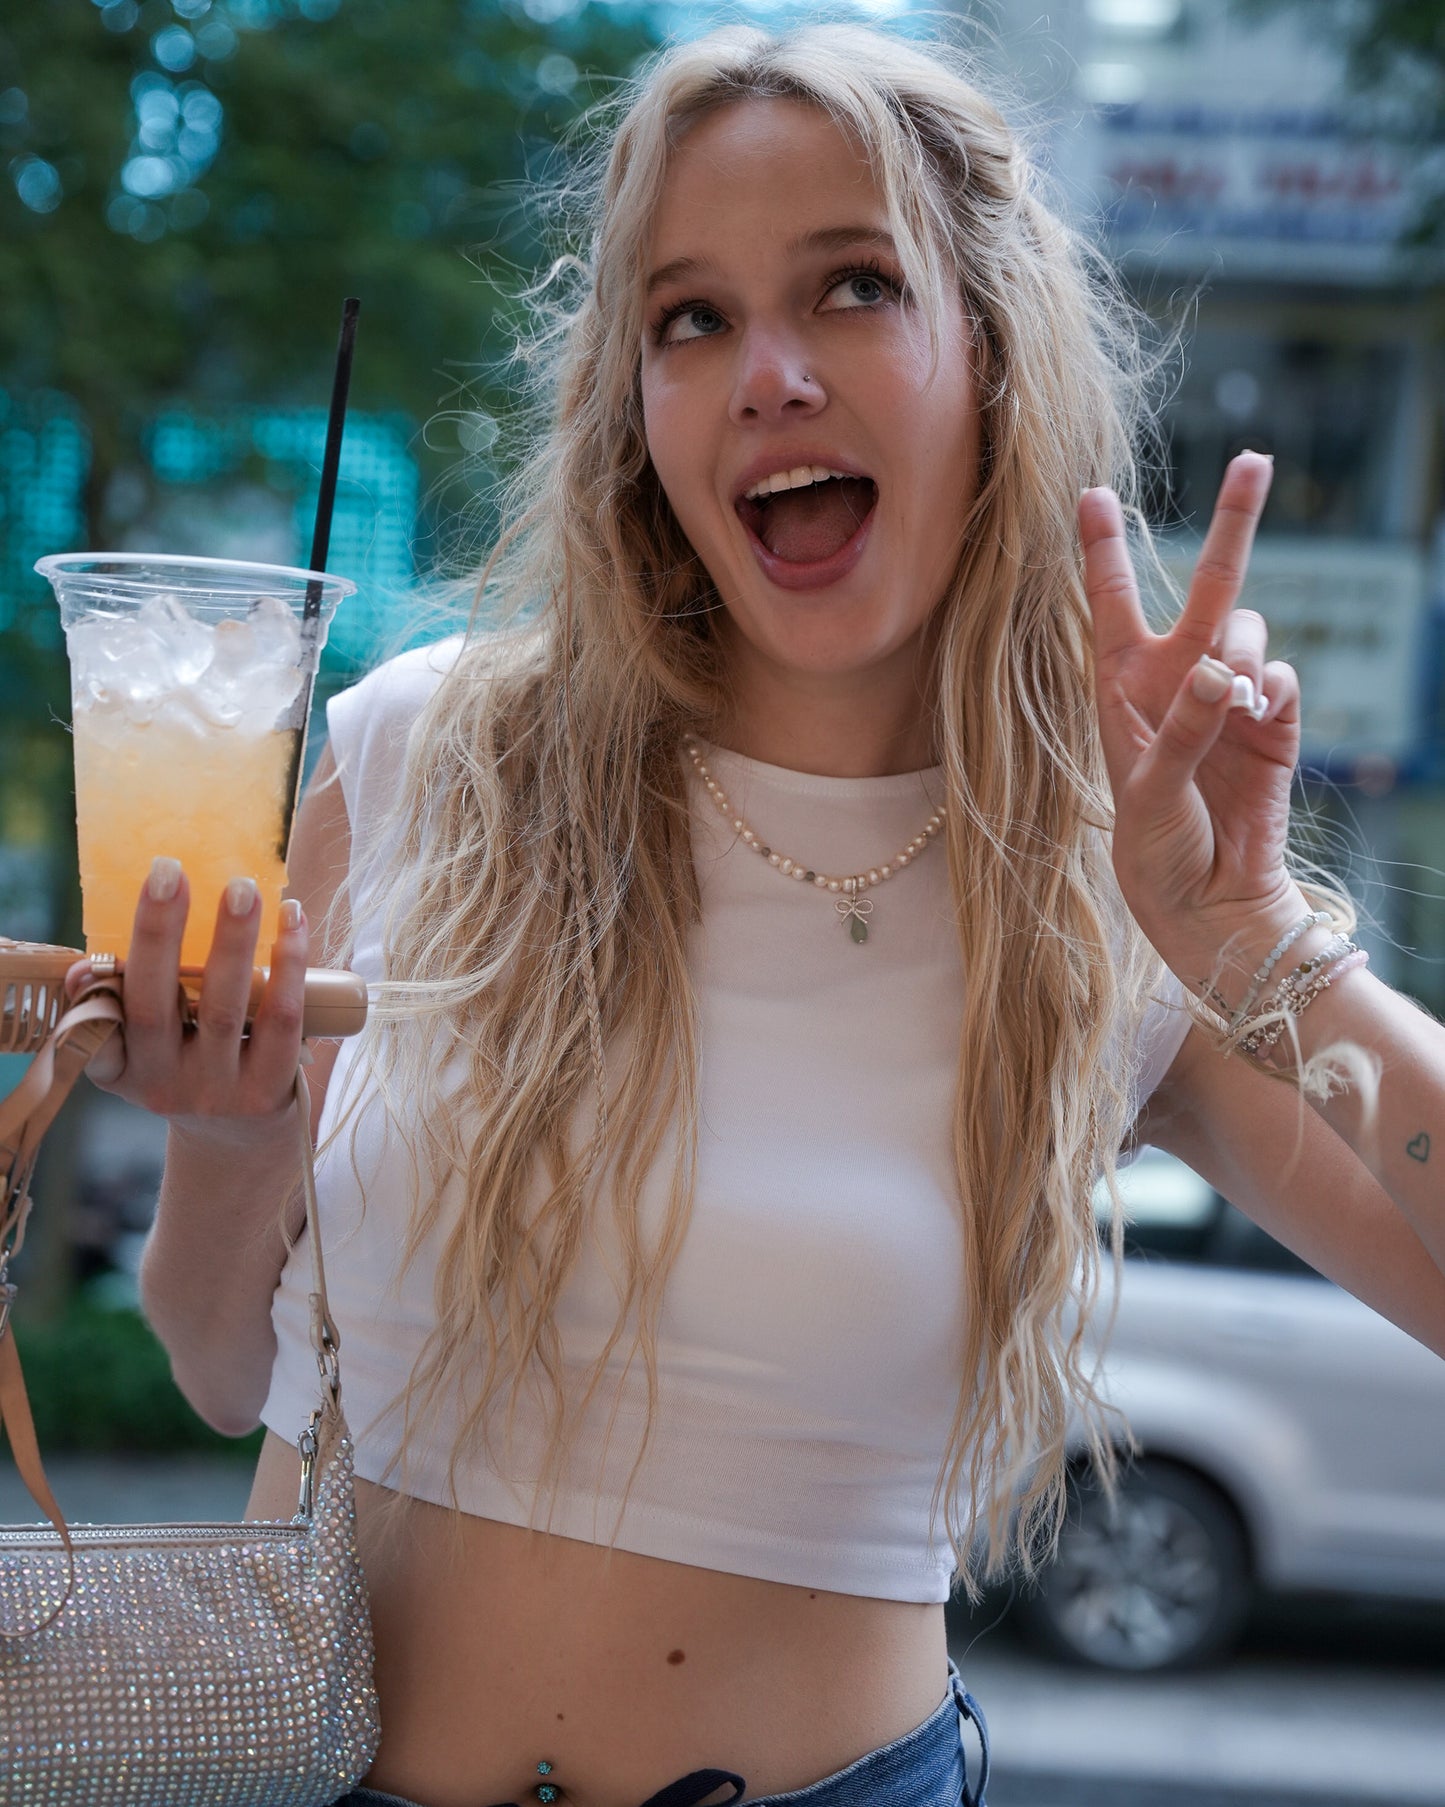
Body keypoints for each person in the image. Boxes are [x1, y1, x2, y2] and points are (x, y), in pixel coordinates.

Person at [69, 21, 1445, 1807]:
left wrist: (1256, 939)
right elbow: (214, 1360)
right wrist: (233, 1131)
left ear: (993, 355)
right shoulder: (430, 757)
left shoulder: (1117, 880)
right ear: (635, 410)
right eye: (689, 319)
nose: (764, 374)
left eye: (852, 286)